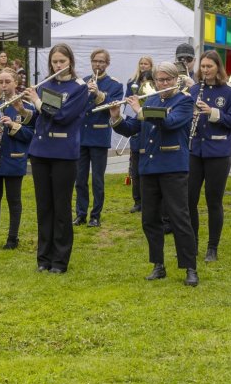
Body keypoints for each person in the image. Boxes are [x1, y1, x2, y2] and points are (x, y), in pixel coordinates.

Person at [111, 61, 199, 287]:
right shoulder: (151, 99)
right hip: (149, 168)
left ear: (176, 80)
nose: (164, 83)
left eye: (168, 79)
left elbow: (169, 123)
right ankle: (158, 264)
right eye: (160, 80)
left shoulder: (185, 101)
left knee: (180, 218)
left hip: (173, 167)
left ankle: (190, 267)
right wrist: (116, 117)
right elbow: (133, 129)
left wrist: (140, 111)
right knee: (150, 219)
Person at [25, 44, 88, 274]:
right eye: (54, 62)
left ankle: (60, 260)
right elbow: (39, 119)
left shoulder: (79, 88)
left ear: (70, 61)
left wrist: (38, 102)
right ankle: (43, 258)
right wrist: (24, 110)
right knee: (44, 207)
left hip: (63, 152)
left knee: (61, 207)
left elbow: (62, 116)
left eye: (62, 61)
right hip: (40, 151)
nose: (58, 66)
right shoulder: (46, 85)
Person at [187, 50, 231, 262]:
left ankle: (212, 247)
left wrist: (212, 113)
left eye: (209, 66)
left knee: (213, 200)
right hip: (194, 149)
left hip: (218, 151)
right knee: (189, 199)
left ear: (218, 67)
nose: (205, 70)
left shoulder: (229, 92)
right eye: (203, 66)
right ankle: (192, 244)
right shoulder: (193, 89)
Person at [0, 68, 36, 249]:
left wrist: (13, 126)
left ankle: (13, 237)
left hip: (14, 157)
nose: (3, 86)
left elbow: (30, 135)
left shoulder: (26, 107)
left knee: (14, 199)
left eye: (7, 82)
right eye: (0, 82)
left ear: (16, 83)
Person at [74, 49, 124, 228]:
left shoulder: (115, 85)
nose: (98, 64)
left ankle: (95, 215)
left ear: (107, 64)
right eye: (95, 61)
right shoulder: (83, 81)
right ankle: (80, 213)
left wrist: (98, 94)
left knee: (97, 179)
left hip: (99, 135)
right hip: (81, 136)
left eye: (102, 62)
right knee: (79, 179)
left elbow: (112, 104)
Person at [125, 55, 154, 213]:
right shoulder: (132, 81)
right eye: (141, 63)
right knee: (135, 167)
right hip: (138, 124)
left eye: (146, 63)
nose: (143, 66)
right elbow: (128, 103)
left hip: (150, 127)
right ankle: (138, 201)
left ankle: (150, 201)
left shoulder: (156, 87)